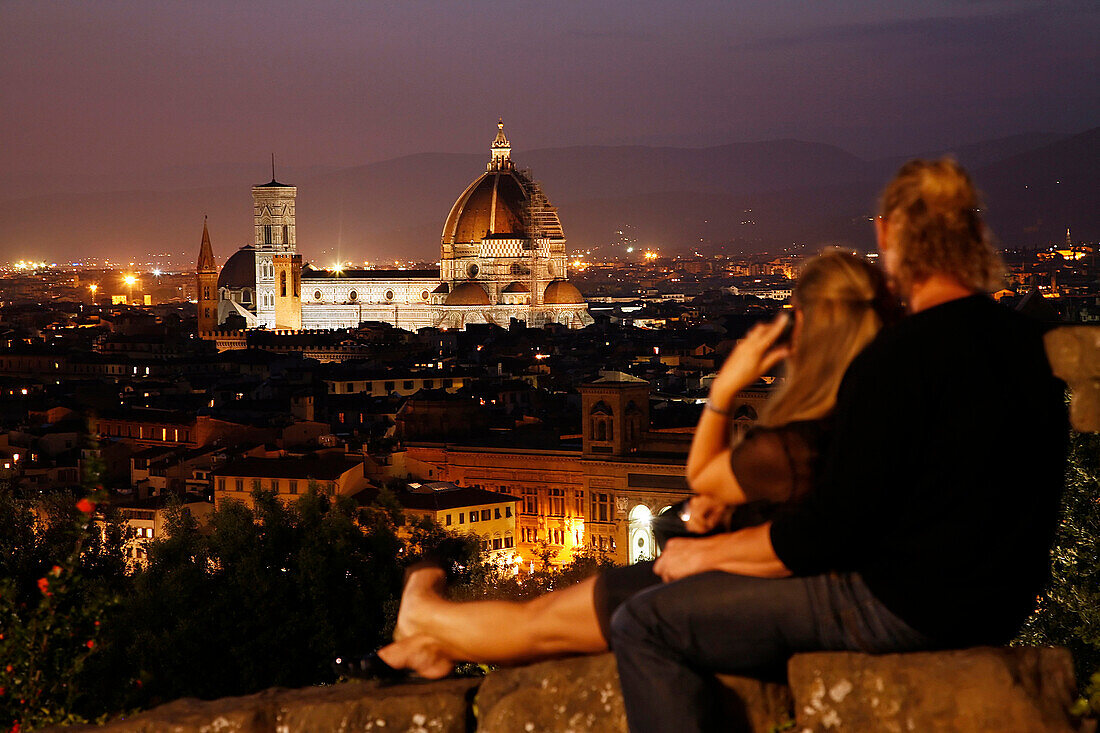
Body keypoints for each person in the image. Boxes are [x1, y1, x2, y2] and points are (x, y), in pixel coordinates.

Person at [609, 158, 1069, 733]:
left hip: (902, 606)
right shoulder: (1031, 343)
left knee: (643, 623)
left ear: (886, 235)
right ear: (974, 237)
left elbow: (829, 531)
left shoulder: (895, 359)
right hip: (1006, 600)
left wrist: (704, 556)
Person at [365, 249, 896, 680]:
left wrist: (728, 386)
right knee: (559, 618)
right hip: (808, 599)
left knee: (562, 617)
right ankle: (428, 641)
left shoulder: (800, 440)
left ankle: (428, 627)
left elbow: (711, 481)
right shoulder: (883, 414)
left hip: (783, 603)